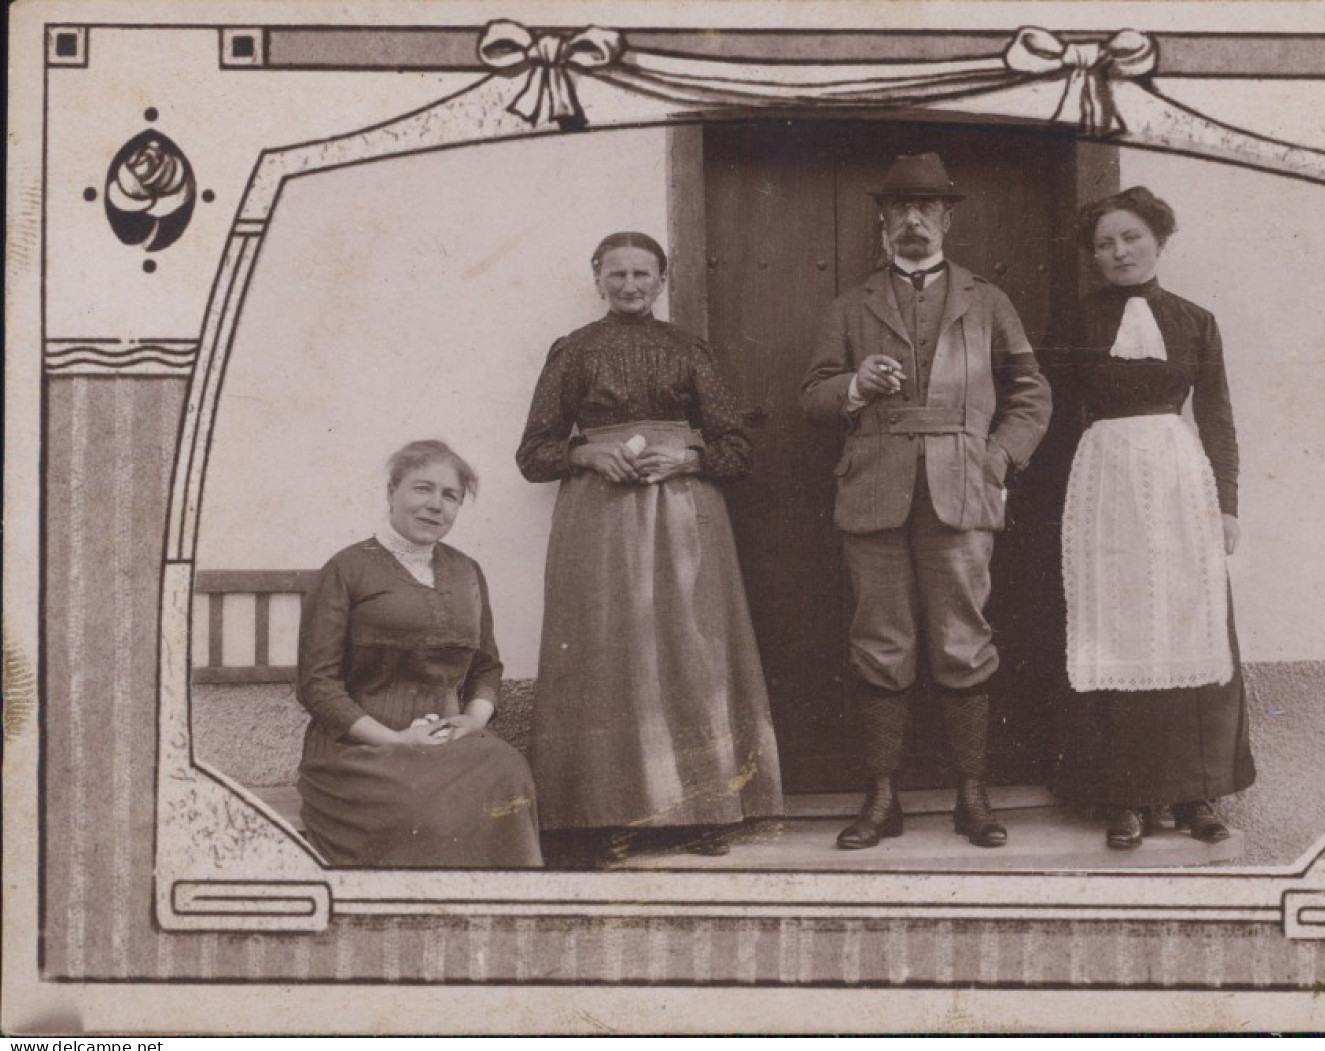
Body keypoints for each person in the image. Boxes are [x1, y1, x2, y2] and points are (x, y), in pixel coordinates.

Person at [800, 153, 1052, 850]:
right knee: (880, 642)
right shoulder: (850, 306)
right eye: (899, 209)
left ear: (947, 218)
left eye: (926, 209)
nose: (913, 221)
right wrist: (854, 385)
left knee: (963, 640)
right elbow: (812, 396)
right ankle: (882, 796)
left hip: (963, 489)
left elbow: (1031, 393)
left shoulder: (987, 300)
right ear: (883, 220)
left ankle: (972, 794)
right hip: (874, 486)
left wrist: (997, 456)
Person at [516, 231, 783, 864]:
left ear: (662, 280)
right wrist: (587, 453)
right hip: (599, 520)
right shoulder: (574, 352)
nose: (630, 285)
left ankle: (705, 809)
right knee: (608, 656)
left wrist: (687, 458)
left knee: (693, 650)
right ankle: (607, 816)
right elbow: (533, 454)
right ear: (598, 278)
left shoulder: (688, 349)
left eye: (643, 274)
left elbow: (736, 448)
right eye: (618, 275)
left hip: (686, 517)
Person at [1045, 186, 1255, 850]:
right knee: (1117, 626)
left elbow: (1217, 417)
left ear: (1157, 240)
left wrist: (1225, 505)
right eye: (1104, 244)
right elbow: (1051, 419)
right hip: (1104, 481)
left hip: (1177, 481)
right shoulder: (1076, 323)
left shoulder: (1196, 320)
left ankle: (1198, 794)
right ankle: (1126, 797)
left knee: (1190, 619)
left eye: (1130, 238)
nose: (1118, 252)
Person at [295, 440, 544, 868]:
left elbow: (487, 665)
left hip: (448, 742)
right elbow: (317, 684)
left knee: (508, 773)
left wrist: (473, 720)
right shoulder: (346, 569)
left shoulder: (467, 571)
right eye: (422, 489)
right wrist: (396, 740)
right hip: (360, 751)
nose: (436, 505)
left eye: (450, 496)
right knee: (425, 809)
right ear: (392, 492)